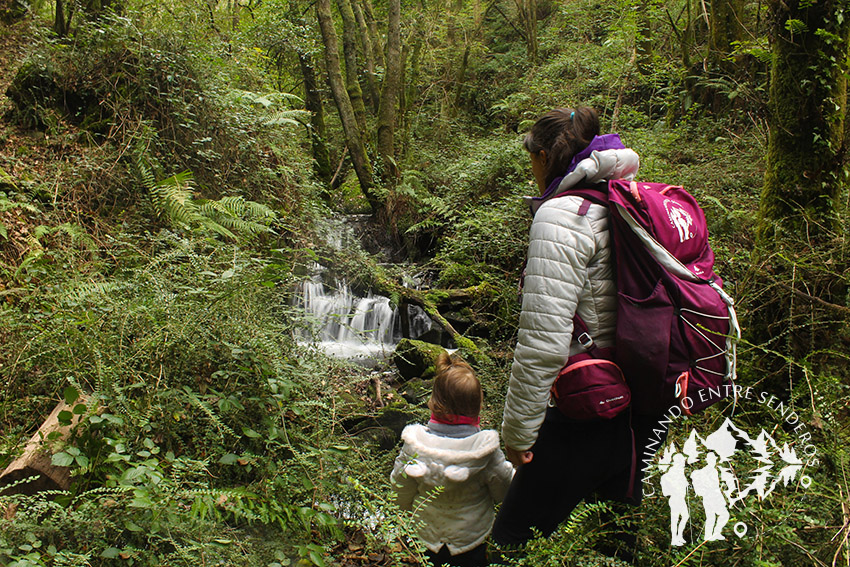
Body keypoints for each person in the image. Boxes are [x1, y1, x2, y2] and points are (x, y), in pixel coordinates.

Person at [492, 107, 648, 548]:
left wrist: (517, 434)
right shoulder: (625, 196)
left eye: (531, 161)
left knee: (510, 538)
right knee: (615, 539)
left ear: (543, 157)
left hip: (590, 407)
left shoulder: (562, 214)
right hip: (644, 403)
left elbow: (543, 343)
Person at [391, 352, 514, 567]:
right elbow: (503, 491)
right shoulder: (485, 451)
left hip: (426, 535)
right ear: (478, 407)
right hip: (472, 538)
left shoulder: (415, 445)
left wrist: (404, 513)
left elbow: (400, 488)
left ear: (433, 403)